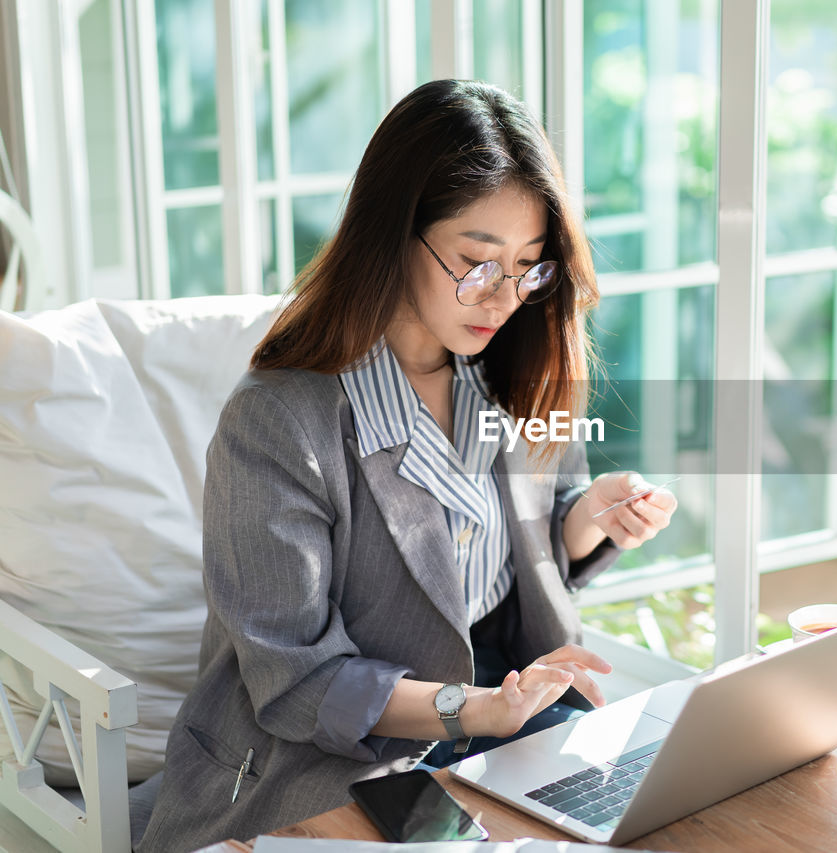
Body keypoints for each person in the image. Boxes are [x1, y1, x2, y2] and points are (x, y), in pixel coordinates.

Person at [137, 79, 676, 852]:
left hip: (505, 716)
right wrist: (473, 707)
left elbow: (514, 558)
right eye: (477, 261)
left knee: (670, 813)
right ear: (395, 233)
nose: (504, 297)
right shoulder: (280, 420)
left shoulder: (515, 371)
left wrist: (585, 520)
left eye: (529, 267)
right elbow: (296, 682)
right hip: (326, 756)